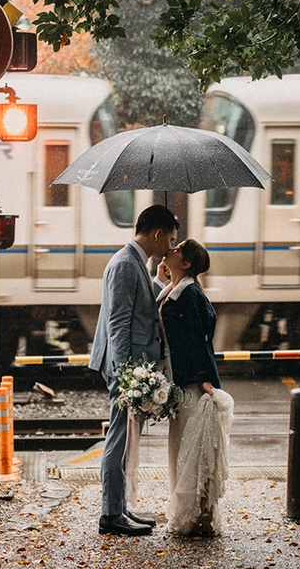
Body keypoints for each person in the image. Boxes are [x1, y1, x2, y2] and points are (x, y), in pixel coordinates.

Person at [88, 204, 179, 536]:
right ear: (157, 234)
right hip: (126, 367)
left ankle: (119, 506)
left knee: (127, 438)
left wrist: (157, 282)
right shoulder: (126, 264)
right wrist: (126, 373)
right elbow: (119, 321)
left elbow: (138, 305)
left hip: (129, 365)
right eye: (170, 239)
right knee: (120, 437)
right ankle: (111, 514)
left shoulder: (133, 262)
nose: (170, 247)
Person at [157, 239, 233, 536]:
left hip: (191, 383)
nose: (171, 248)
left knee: (192, 452)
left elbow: (200, 339)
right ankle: (190, 515)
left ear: (186, 263)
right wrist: (164, 278)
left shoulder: (189, 295)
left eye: (177, 249)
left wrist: (203, 376)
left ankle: (196, 518)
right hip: (180, 380)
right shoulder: (177, 291)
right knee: (183, 450)